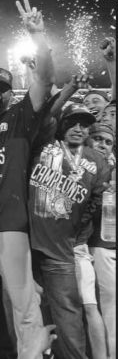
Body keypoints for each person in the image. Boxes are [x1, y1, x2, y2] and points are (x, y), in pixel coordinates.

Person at [0, 0, 53, 359]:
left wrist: (38, 36)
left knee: (22, 300)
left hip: (7, 222)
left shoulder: (20, 118)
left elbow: (45, 80)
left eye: (2, 89)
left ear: (12, 94)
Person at [29, 103, 111, 358]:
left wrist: (76, 235)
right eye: (72, 123)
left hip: (62, 248)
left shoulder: (97, 160)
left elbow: (95, 203)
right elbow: (42, 113)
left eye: (84, 125)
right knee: (28, 309)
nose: (78, 128)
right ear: (61, 124)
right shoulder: (42, 145)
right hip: (26, 243)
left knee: (68, 311)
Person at [85, 122, 116, 359]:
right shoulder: (81, 167)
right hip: (96, 245)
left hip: (107, 245)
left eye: (108, 142)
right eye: (97, 139)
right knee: (106, 304)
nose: (103, 145)